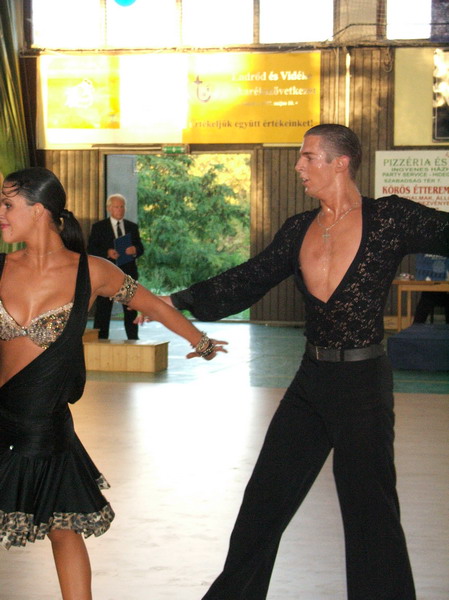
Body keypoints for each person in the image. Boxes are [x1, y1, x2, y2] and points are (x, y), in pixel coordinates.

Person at [153, 124, 449, 599]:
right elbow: (249, 278)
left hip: (364, 384)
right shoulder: (298, 229)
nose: (298, 167)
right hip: (311, 381)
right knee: (263, 504)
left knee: (371, 514)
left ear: (340, 162)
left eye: (308, 157)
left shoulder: (390, 218)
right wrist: (175, 300)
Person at [0, 167, 226, 600]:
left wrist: (199, 340)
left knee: (63, 527)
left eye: (8, 204)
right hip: (2, 416)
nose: (1, 214)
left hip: (46, 427)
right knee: (62, 527)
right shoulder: (2, 267)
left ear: (39, 210)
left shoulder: (93, 272)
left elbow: (154, 306)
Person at [87, 193, 144, 339]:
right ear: (109, 209)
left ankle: (133, 340)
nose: (120, 210)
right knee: (103, 311)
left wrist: (134, 250)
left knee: (130, 309)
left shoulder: (132, 227)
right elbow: (91, 249)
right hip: (106, 275)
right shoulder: (99, 227)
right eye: (116, 207)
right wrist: (107, 253)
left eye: (122, 207)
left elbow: (141, 248)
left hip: (128, 275)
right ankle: (100, 340)